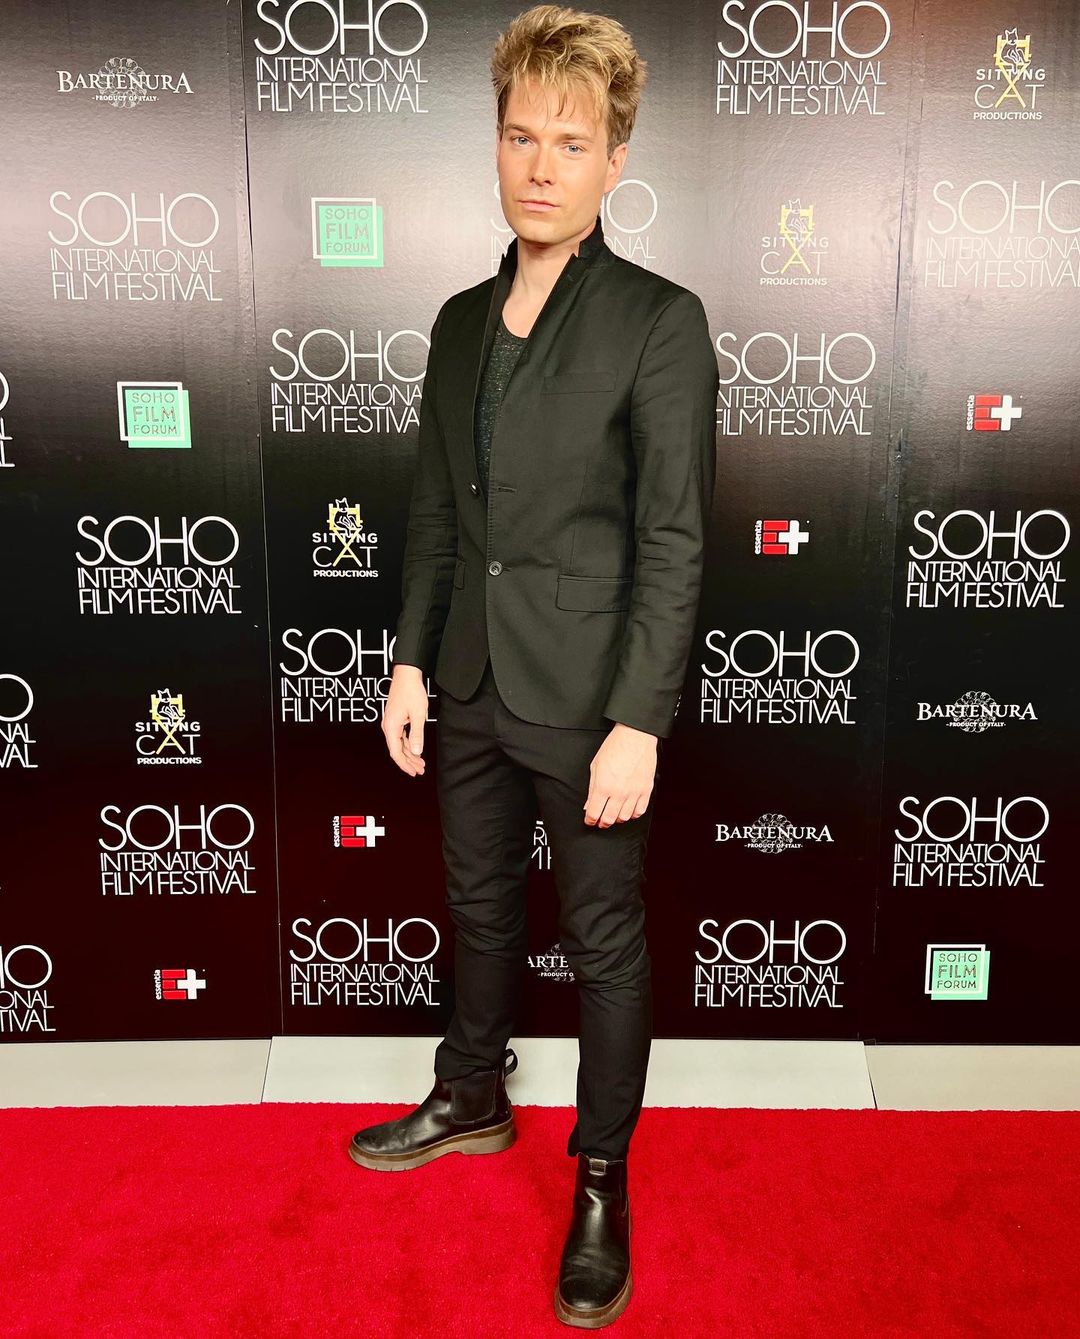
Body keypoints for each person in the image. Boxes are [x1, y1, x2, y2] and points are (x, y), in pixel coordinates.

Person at [348, 4, 718, 1328]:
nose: (542, 166)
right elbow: (440, 515)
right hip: (467, 683)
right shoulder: (457, 323)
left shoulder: (659, 321)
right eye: (521, 137)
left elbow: (673, 538)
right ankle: (471, 1093)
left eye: (572, 142)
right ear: (495, 146)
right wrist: (411, 663)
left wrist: (641, 721)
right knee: (478, 908)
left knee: (603, 943)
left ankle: (602, 1178)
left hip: (590, 701)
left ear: (616, 160)